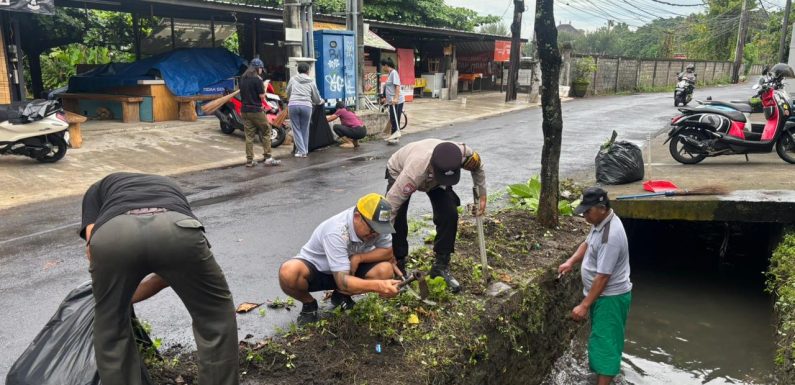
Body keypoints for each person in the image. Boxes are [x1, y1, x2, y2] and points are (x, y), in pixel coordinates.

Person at [80, 172, 239, 385]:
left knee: (111, 326)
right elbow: (169, 273)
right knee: (215, 316)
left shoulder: (96, 190)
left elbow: (93, 246)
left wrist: (114, 299)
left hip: (114, 234)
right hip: (177, 228)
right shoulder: (168, 184)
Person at [278, 193, 402, 325]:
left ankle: (341, 295)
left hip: (348, 270)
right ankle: (309, 304)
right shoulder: (337, 231)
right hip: (320, 271)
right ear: (357, 217)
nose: (375, 234)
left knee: (385, 270)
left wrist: (359, 257)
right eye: (372, 230)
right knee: (288, 272)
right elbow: (343, 281)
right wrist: (379, 286)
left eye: (379, 230)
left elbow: (388, 252)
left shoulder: (377, 224)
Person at [385, 138, 486, 293]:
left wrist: (482, 195)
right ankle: (398, 267)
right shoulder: (412, 173)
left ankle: (441, 266)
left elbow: (478, 167)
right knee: (397, 219)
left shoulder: (463, 154)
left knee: (449, 213)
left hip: (437, 177)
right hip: (399, 170)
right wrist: (387, 250)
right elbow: (390, 210)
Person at [558, 187, 632, 385]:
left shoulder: (611, 236)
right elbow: (587, 243)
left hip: (610, 299)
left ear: (601, 208)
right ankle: (601, 377)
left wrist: (584, 305)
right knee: (601, 339)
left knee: (606, 344)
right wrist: (571, 262)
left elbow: (603, 277)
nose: (584, 215)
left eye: (587, 211)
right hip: (603, 297)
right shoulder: (600, 223)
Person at [240, 58, 281, 168]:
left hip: (244, 110)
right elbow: (262, 97)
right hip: (256, 111)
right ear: (258, 68)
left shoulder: (243, 78)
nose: (262, 71)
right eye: (261, 68)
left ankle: (249, 160)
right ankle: (268, 158)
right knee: (266, 131)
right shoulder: (257, 80)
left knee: (249, 136)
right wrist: (267, 103)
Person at [286, 63, 324, 158]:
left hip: (293, 105)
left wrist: (291, 99)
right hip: (306, 106)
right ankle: (304, 150)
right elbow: (316, 97)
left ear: (298, 70)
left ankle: (302, 151)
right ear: (308, 71)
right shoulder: (311, 81)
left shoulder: (293, 79)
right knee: (305, 129)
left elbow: (288, 92)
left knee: (296, 129)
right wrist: (319, 101)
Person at [380, 59, 404, 144]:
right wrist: (385, 97)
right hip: (391, 101)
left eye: (383, 66)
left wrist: (396, 98)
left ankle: (395, 136)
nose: (382, 68)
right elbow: (388, 87)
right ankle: (393, 135)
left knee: (395, 118)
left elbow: (397, 86)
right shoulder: (390, 74)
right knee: (393, 118)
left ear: (386, 65)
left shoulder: (394, 73)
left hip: (397, 101)